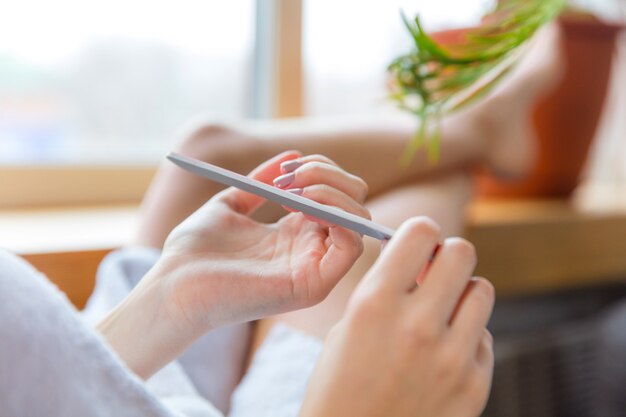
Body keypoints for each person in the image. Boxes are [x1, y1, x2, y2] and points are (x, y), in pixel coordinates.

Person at [0, 23, 561, 417]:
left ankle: (476, 130)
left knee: (207, 148)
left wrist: (171, 297)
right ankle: (478, 134)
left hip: (119, 369)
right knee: (400, 213)